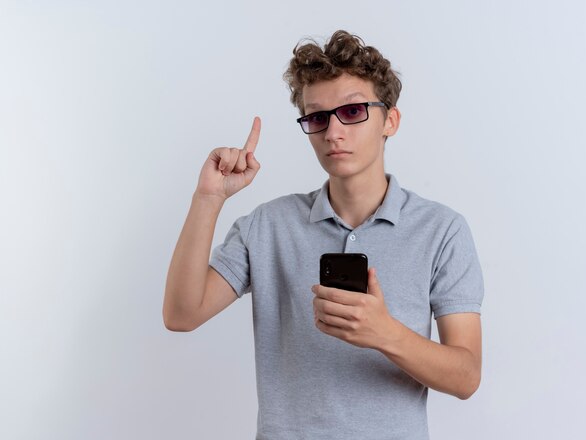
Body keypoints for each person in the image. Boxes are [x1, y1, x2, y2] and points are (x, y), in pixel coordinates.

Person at [163, 30, 484, 440]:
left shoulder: (442, 231)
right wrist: (208, 198)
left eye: (352, 111)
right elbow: (181, 314)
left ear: (391, 120)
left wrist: (386, 333)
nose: (333, 132)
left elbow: (466, 376)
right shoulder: (268, 225)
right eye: (317, 117)